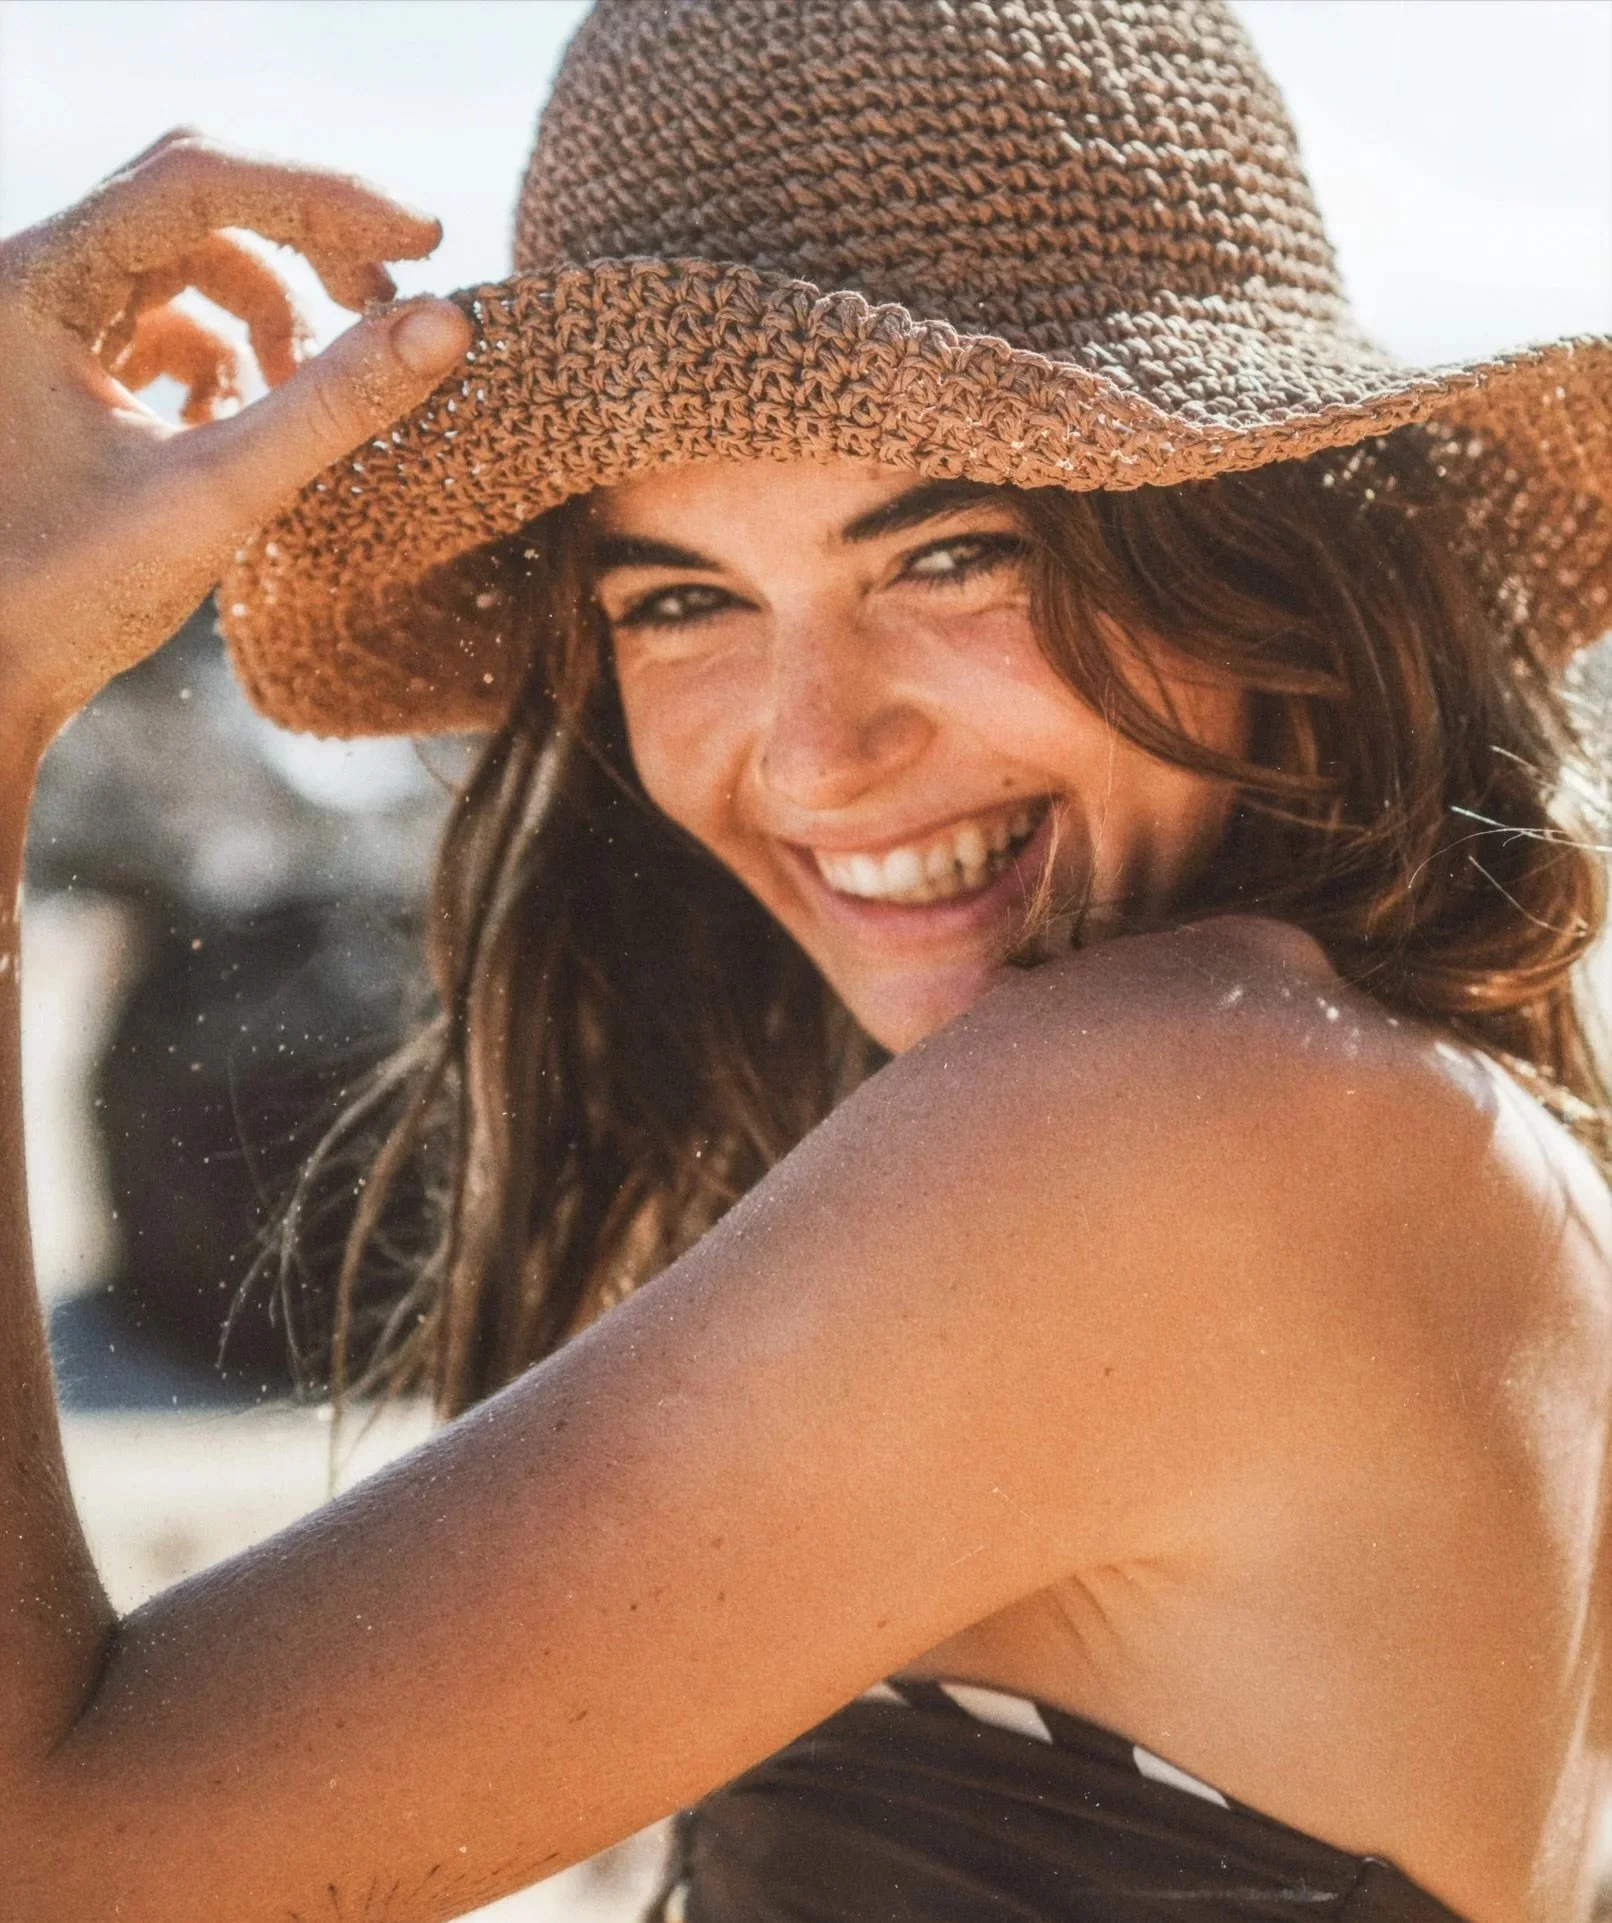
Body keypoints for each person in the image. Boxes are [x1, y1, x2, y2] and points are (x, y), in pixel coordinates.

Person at [2, 1, 1611, 1918]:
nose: (812, 750)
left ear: (1255, 554)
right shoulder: (1430, 1121)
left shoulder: (1185, 1114)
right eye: (682, 600)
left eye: (947, 554)